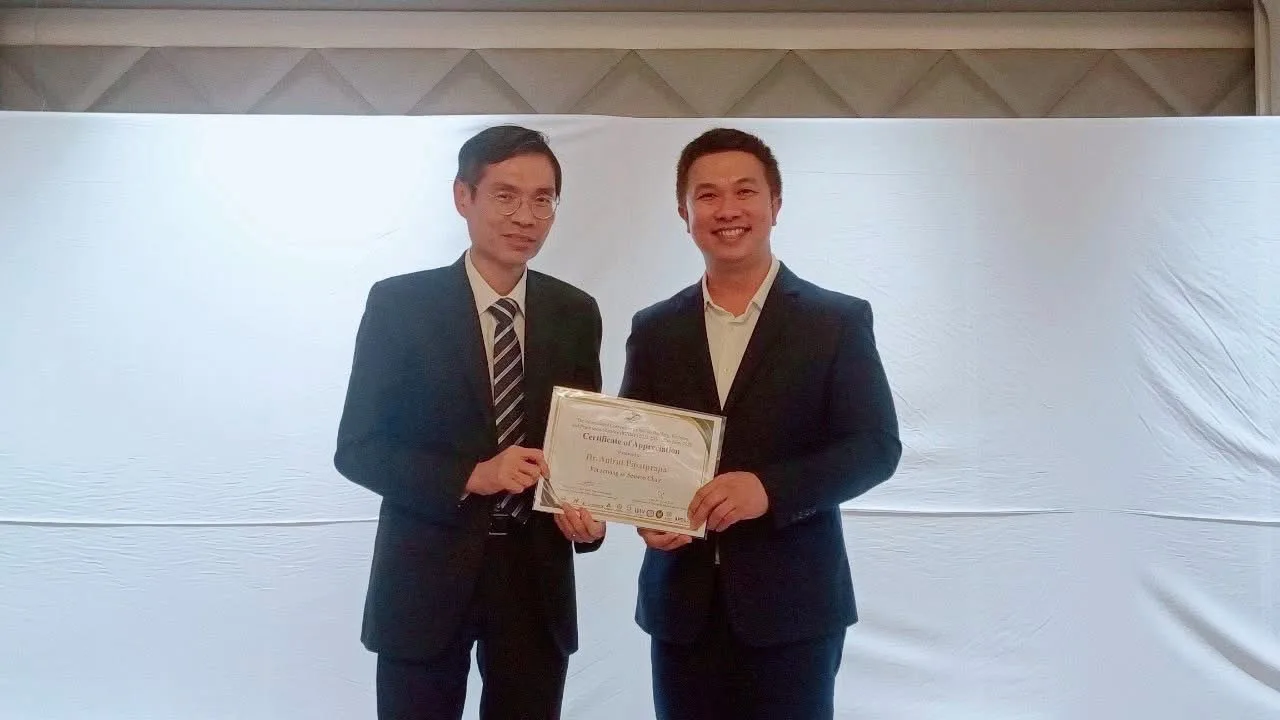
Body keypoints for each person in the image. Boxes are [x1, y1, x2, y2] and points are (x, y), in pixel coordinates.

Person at [619, 127, 901, 720]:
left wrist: (768, 490)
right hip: (681, 607)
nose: (727, 209)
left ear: (775, 204)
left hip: (795, 607)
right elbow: (634, 447)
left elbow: (875, 446)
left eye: (745, 191)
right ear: (684, 213)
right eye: (707, 195)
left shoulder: (835, 321)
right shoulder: (654, 328)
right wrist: (645, 512)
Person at [334, 124, 606, 720]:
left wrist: (589, 517)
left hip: (535, 584)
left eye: (543, 199)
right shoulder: (401, 305)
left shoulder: (575, 313)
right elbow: (358, 448)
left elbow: (583, 444)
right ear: (464, 196)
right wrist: (473, 475)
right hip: (425, 580)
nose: (525, 216)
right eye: (505, 196)